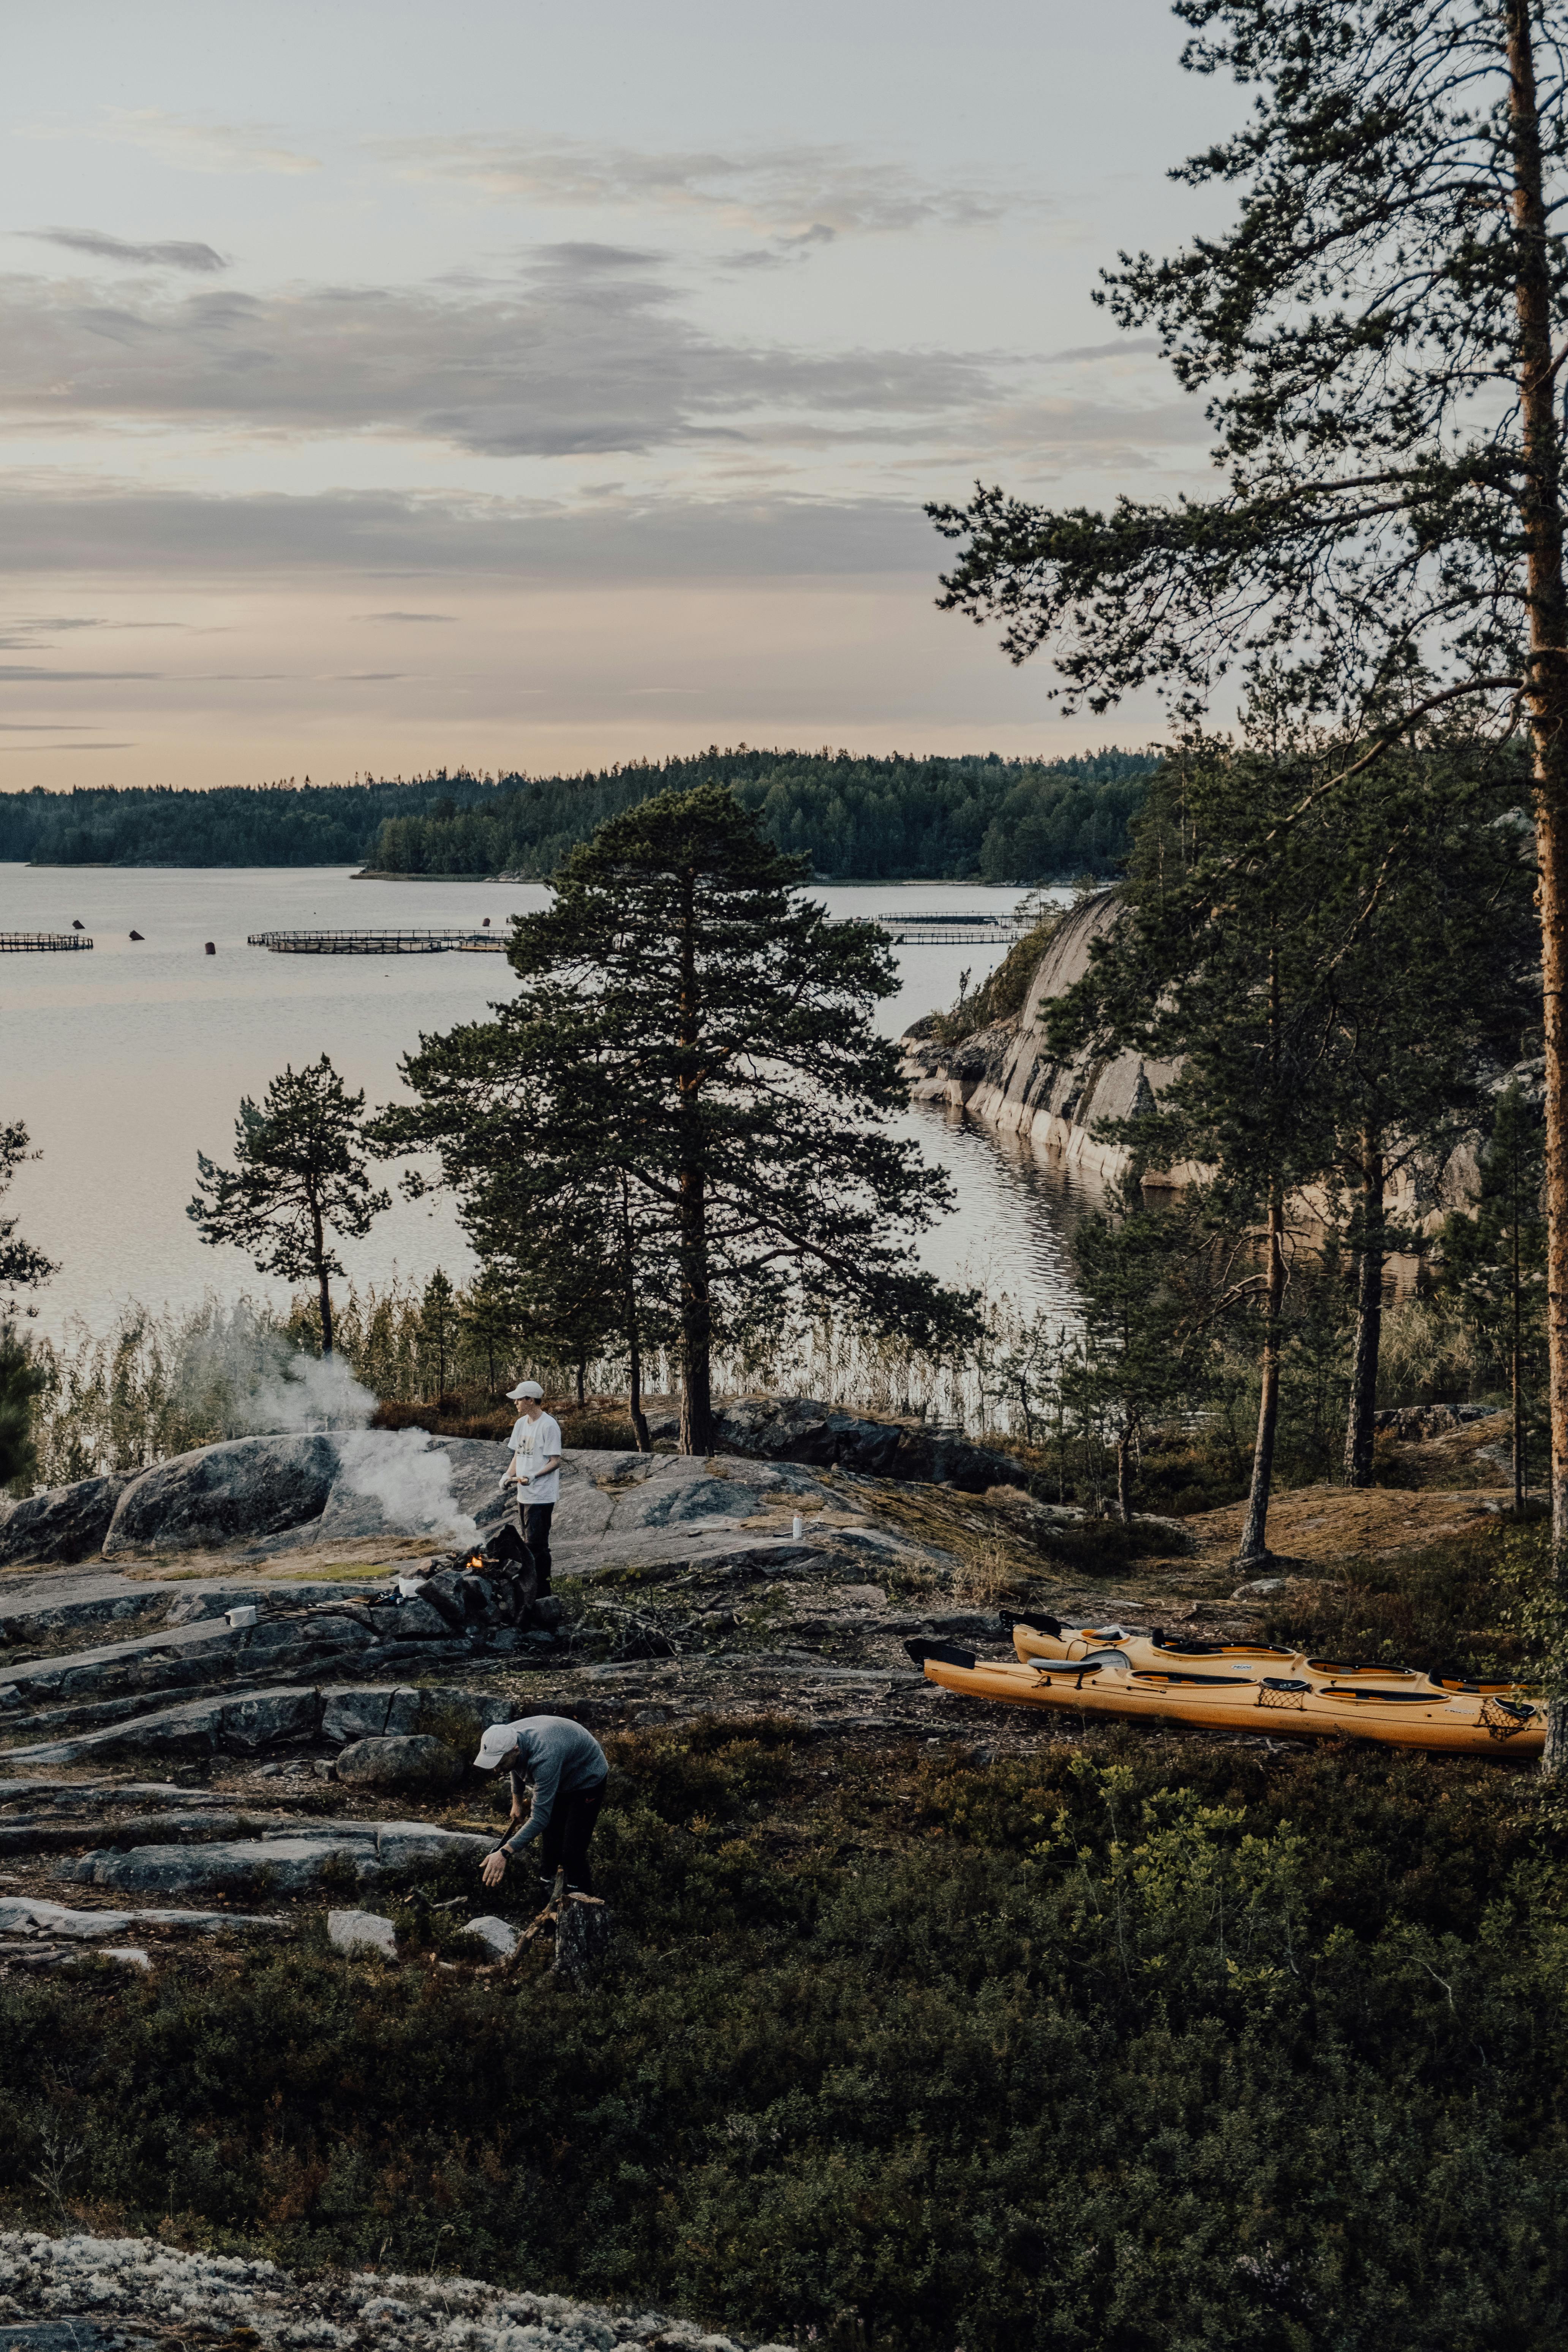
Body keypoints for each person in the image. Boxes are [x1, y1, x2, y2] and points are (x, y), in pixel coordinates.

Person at [474, 1715, 609, 1895]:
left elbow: (539, 1818)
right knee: (551, 1838)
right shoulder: (505, 1735)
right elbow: (514, 1766)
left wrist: (504, 1853)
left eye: (500, 1763)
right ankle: (548, 1888)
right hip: (560, 1775)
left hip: (587, 1778)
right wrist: (517, 1802)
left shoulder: (545, 1757)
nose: (497, 1770)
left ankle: (579, 1898)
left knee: (572, 1849)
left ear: (516, 1750)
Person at [500, 1379, 562, 1598]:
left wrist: (534, 1476)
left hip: (542, 1495)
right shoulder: (520, 1424)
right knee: (528, 1542)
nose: (516, 1402)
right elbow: (519, 1453)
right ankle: (531, 1589)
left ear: (531, 1400)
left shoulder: (549, 1425)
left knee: (537, 1544)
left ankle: (543, 1593)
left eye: (519, 1399)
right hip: (523, 1494)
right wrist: (509, 1474)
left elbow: (555, 1461)